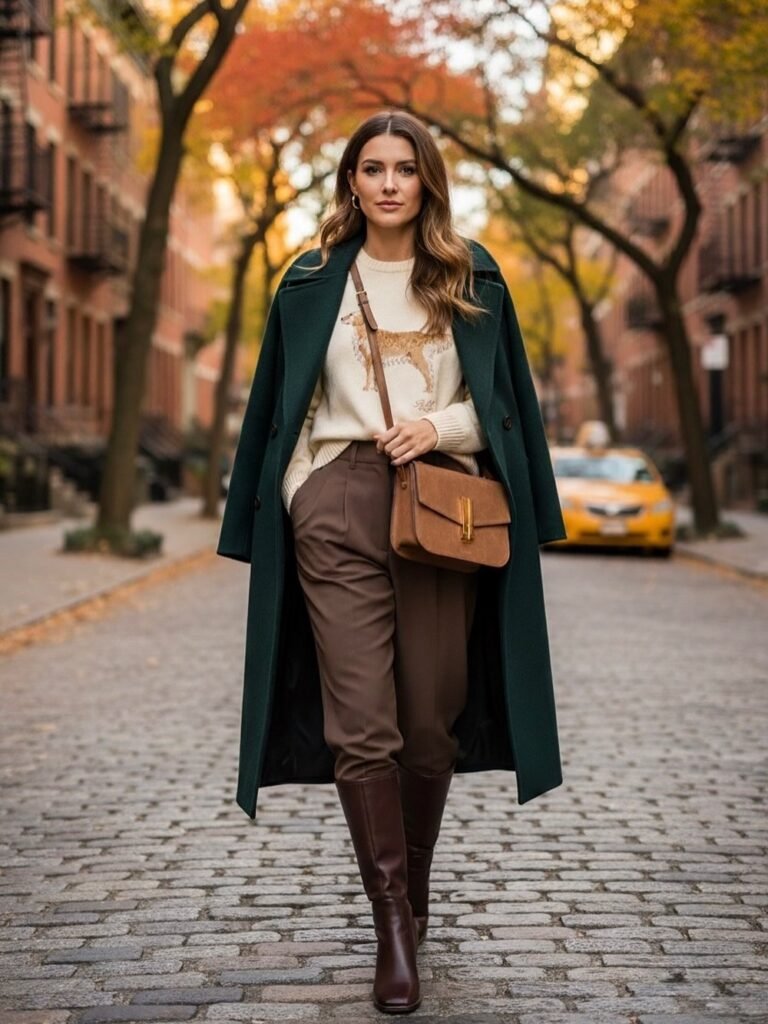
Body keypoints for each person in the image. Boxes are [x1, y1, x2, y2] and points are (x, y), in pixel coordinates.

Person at [217, 109, 566, 1016]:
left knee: (429, 721)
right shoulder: (306, 280)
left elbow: (504, 405)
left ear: (426, 181)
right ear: (350, 181)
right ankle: (394, 928)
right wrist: (300, 491)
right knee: (359, 724)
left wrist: (440, 426)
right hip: (334, 505)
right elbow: (279, 404)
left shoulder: (471, 275)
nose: (385, 184)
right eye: (369, 168)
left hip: (442, 506)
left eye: (402, 170)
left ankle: (408, 896)